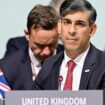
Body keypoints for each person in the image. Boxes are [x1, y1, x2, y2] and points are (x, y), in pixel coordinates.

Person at [33, 0, 105, 90]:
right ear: (59, 26)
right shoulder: (49, 64)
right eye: (67, 22)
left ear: (92, 30)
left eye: (80, 24)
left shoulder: (102, 64)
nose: (71, 30)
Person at [0, 4, 61, 90]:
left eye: (52, 44)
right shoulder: (6, 69)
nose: (47, 52)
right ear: (27, 34)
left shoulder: (73, 60)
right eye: (40, 45)